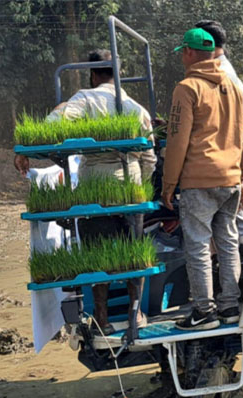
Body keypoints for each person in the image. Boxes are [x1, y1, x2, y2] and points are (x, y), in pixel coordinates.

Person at [15, 49, 156, 335]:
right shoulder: (136, 107)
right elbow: (150, 158)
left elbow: (54, 127)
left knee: (96, 253)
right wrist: (141, 188)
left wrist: (60, 107)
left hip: (95, 185)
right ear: (118, 75)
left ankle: (102, 317)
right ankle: (135, 311)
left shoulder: (83, 98)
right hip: (130, 183)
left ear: (93, 74)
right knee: (134, 253)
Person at [162, 28, 243, 330]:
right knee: (227, 242)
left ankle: (203, 311)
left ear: (188, 52)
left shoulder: (187, 88)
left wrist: (169, 184)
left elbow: (177, 140)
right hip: (231, 178)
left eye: (182, 52)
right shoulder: (236, 87)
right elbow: (242, 135)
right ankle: (230, 307)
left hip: (199, 179)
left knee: (197, 245)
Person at [195, 20, 243, 238]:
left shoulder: (221, 74)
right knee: (233, 218)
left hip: (230, 154)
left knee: (236, 221)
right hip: (232, 153)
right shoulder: (223, 70)